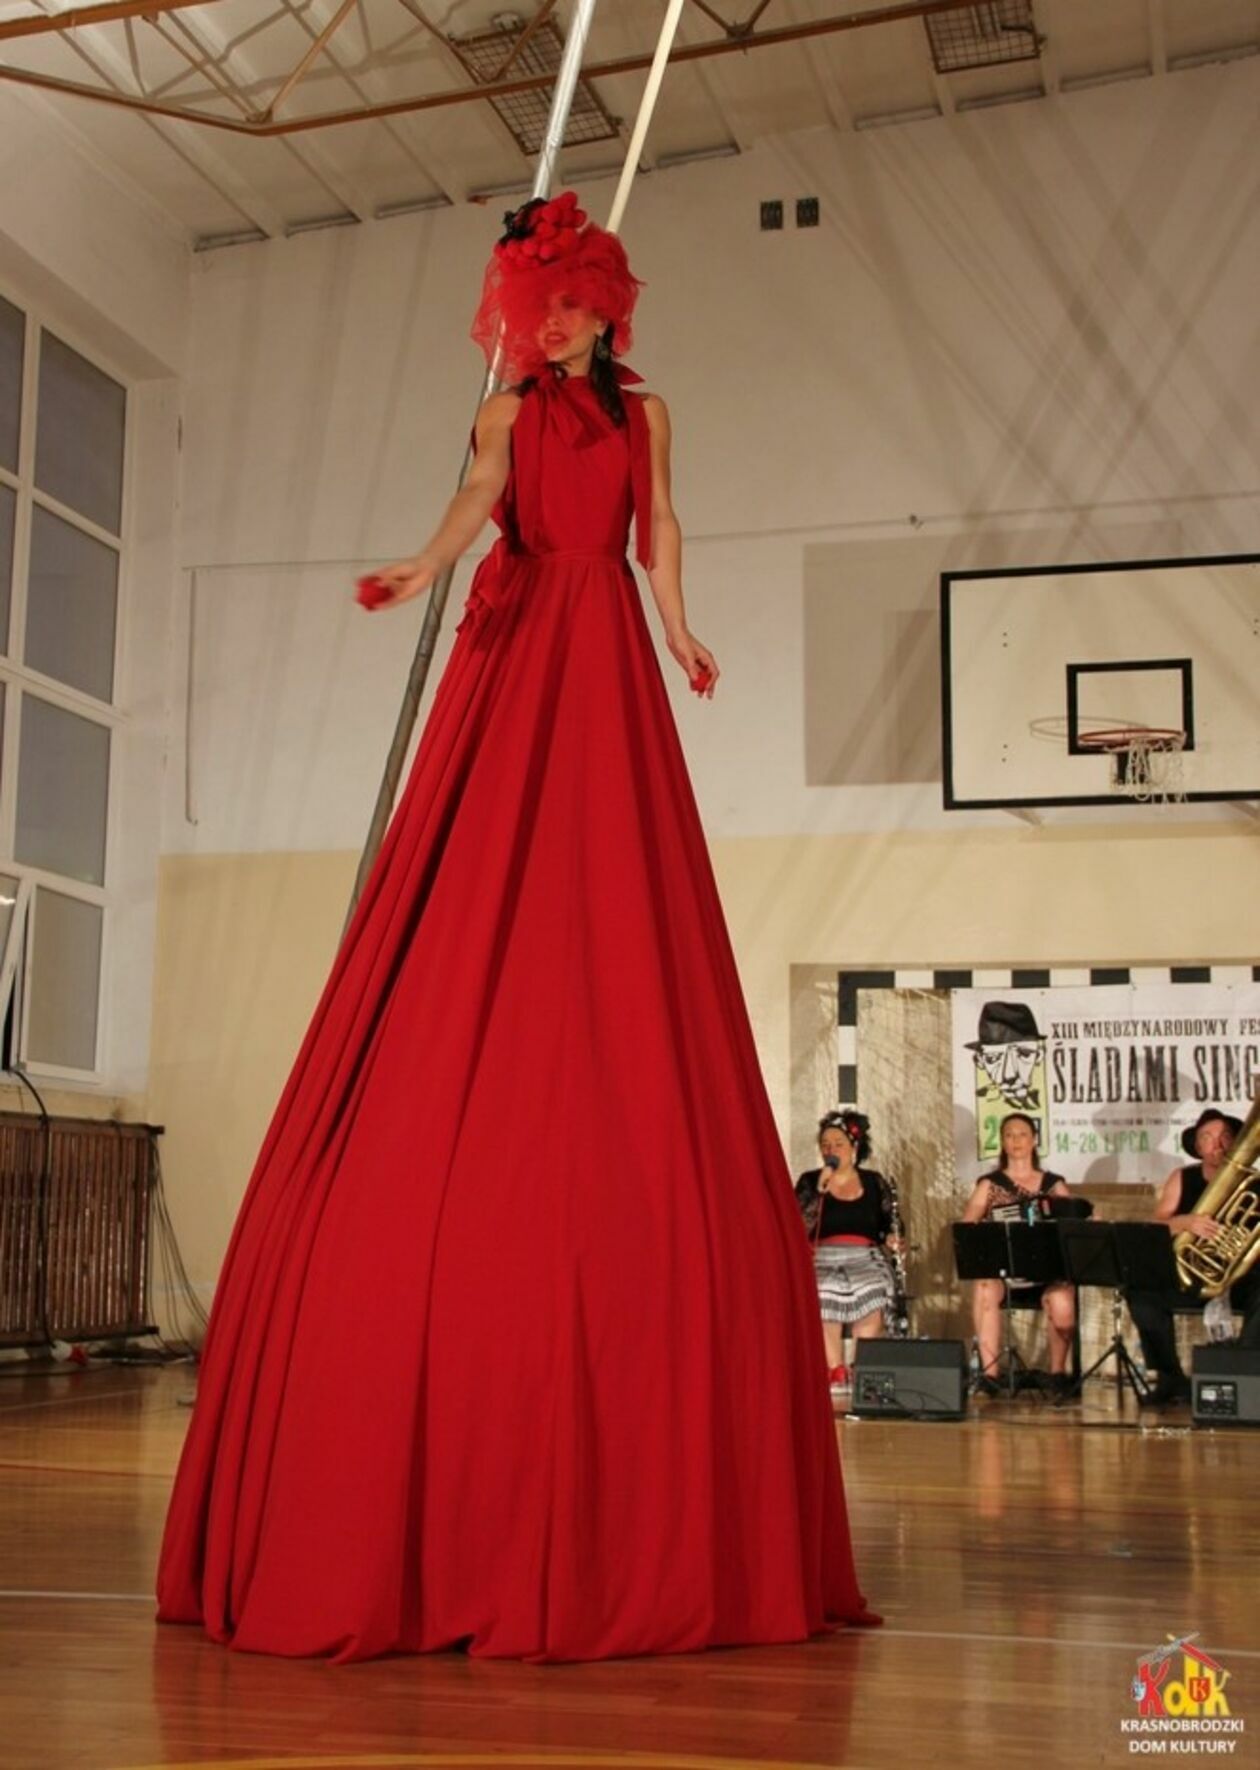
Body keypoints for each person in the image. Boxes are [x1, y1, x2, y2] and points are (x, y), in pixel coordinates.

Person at [156, 192, 877, 1662]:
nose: (550, 323)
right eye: (533, 305)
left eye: (569, 303)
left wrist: (677, 625)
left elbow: (660, 529)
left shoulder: (647, 413)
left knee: (614, 846)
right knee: (483, 832)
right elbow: (474, 506)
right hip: (521, 625)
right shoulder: (502, 416)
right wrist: (420, 570)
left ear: (607, 306)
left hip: (602, 633)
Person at [1128, 1106, 1260, 1407]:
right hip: (1191, 1276)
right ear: (1197, 1147)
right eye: (1207, 1137)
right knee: (1141, 1295)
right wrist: (1186, 1222)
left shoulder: (1253, 1183)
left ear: (1236, 1141)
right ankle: (1170, 1377)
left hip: (1239, 1279)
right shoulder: (1183, 1177)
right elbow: (1157, 1225)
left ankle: (1243, 1369)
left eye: (1226, 1136)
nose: (1218, 1144)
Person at [961, 1112, 1076, 1395]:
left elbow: (1075, 1222)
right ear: (1002, 1142)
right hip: (1006, 1273)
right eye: (1009, 1135)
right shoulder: (990, 1184)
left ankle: (1057, 1374)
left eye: (1022, 1134)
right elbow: (967, 1226)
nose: (1016, 1141)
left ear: (1034, 1140)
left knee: (1062, 1303)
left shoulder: (1053, 1185)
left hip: (1047, 1274)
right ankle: (990, 1375)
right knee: (984, 1288)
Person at [794, 1110, 902, 1389]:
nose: (831, 1150)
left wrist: (892, 1238)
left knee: (874, 1288)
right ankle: (835, 1369)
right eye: (825, 1144)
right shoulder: (809, 1181)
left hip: (864, 1256)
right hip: (823, 1257)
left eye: (838, 1144)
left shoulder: (874, 1182)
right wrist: (819, 1190)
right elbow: (798, 1224)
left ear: (854, 1147)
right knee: (822, 1289)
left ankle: (862, 1368)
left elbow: (890, 1224)